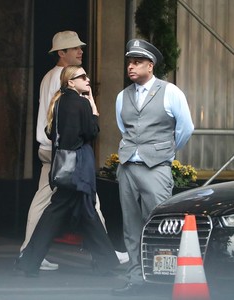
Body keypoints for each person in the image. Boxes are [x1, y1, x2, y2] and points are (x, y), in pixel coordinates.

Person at [20, 30, 128, 270]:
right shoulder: (64, 80)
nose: (81, 51)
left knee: (54, 203)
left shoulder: (50, 76)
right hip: (64, 152)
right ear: (62, 53)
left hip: (52, 148)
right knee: (81, 202)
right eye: (75, 48)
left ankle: (30, 254)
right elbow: (85, 128)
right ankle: (102, 253)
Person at [112, 39, 194, 296]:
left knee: (160, 223)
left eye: (137, 62)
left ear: (150, 65)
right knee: (131, 226)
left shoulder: (170, 92)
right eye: (129, 62)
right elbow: (124, 128)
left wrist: (163, 152)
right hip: (127, 167)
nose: (131, 66)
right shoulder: (122, 96)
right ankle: (136, 277)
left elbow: (185, 128)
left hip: (155, 167)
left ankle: (163, 279)